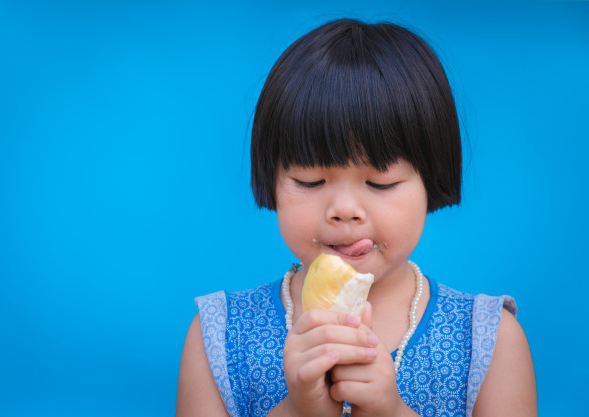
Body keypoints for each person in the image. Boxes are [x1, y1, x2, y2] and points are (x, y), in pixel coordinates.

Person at [176, 19, 537, 417]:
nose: (344, 209)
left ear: (432, 177)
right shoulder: (221, 336)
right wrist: (298, 411)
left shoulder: (488, 340)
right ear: (272, 180)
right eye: (310, 180)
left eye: (380, 182)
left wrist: (394, 412)